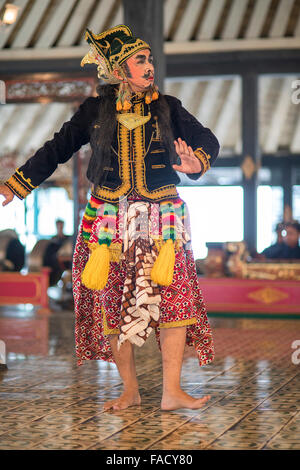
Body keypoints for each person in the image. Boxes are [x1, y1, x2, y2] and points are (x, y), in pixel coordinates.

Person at [0, 25, 220, 411]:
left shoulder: (168, 107)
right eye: (140, 60)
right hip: (108, 222)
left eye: (150, 59)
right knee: (112, 303)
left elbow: (208, 140)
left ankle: (172, 392)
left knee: (175, 300)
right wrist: (14, 186)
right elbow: (55, 151)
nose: (149, 66)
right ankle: (130, 390)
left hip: (162, 219)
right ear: (119, 70)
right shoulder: (94, 111)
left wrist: (195, 161)